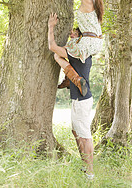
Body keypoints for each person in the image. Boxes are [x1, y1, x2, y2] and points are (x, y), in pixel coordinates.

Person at [49, 0, 104, 96]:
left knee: (57, 55)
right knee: (71, 43)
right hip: (97, 42)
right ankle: (69, 78)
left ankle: (75, 79)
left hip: (87, 43)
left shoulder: (86, 0)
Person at [48, 16, 94, 179]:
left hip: (82, 100)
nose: (71, 36)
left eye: (74, 34)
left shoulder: (77, 53)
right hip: (78, 99)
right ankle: (85, 165)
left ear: (81, 38)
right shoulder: (82, 52)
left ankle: (89, 172)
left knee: (85, 135)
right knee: (76, 131)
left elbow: (52, 47)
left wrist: (51, 26)